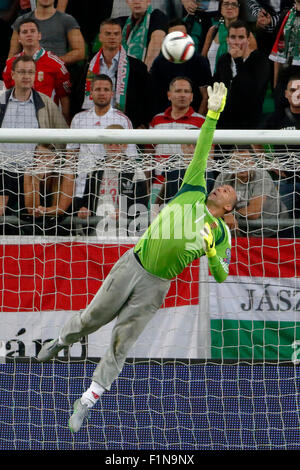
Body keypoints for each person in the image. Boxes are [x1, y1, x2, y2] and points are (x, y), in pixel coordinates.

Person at [37, 82, 238, 433]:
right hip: (133, 264)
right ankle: (61, 340)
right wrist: (213, 113)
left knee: (122, 342)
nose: (221, 187)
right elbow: (202, 149)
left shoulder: (221, 234)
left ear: (229, 208)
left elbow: (222, 275)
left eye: (228, 191)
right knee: (92, 319)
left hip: (156, 286)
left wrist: (211, 253)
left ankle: (86, 401)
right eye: (221, 185)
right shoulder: (193, 190)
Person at [0, 55, 68, 221]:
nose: (26, 76)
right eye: (22, 72)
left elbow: (64, 139)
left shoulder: (46, 103)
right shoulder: (1, 100)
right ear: (12, 75)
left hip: (33, 173)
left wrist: (49, 151)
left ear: (35, 75)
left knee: (32, 219)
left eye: (30, 72)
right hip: (2, 170)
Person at [67, 74, 138, 218]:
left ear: (112, 93)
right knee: (83, 232)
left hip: (111, 188)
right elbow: (70, 157)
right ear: (91, 93)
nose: (102, 93)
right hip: (81, 188)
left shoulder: (122, 120)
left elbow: (131, 159)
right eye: (98, 89)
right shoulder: (79, 119)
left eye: (106, 89)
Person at [74, 124, 149, 237]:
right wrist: (85, 209)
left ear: (126, 145)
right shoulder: (96, 170)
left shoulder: (136, 172)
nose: (114, 147)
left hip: (123, 231)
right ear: (104, 145)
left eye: (118, 143)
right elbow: (88, 199)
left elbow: (141, 205)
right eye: (110, 143)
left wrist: (125, 213)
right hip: (97, 229)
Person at [81, 18, 153, 129]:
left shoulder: (137, 67)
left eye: (116, 34)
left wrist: (142, 124)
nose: (112, 37)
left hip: (127, 126)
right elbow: (78, 95)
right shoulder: (88, 65)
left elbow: (148, 98)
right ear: (100, 37)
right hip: (92, 125)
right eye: (108, 34)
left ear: (121, 37)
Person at [3, 18, 72, 124]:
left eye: (33, 31)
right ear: (19, 38)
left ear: (39, 35)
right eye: (24, 32)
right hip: (17, 118)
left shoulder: (56, 64)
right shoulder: (10, 64)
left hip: (47, 118)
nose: (29, 34)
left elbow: (64, 98)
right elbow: (6, 93)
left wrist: (64, 125)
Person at [149, 76, 205, 204]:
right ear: (169, 95)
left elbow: (209, 157)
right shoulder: (157, 120)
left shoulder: (201, 122)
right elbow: (149, 155)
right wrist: (147, 184)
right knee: (155, 221)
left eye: (186, 92)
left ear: (191, 97)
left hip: (187, 185)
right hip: (157, 184)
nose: (182, 95)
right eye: (178, 91)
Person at [213, 146, 288, 237]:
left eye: (246, 161)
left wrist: (229, 214)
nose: (241, 165)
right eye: (236, 161)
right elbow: (214, 205)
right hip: (242, 231)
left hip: (272, 231)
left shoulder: (262, 176)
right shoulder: (223, 177)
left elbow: (254, 213)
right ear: (229, 164)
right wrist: (226, 215)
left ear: (253, 163)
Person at [213, 20, 270, 130]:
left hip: (249, 123)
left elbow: (252, 91)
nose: (236, 42)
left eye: (241, 37)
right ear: (227, 40)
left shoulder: (260, 60)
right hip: (225, 122)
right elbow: (219, 87)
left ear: (248, 40)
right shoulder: (223, 60)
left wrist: (238, 61)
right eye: (233, 37)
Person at [150, 18, 212, 116]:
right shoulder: (159, 62)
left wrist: (198, 121)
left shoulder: (199, 61)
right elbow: (153, 95)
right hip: (164, 119)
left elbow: (206, 97)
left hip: (193, 120)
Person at [259, 73, 300, 219]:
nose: (297, 93)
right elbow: (255, 138)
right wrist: (268, 163)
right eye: (293, 90)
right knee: (282, 223)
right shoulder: (277, 117)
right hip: (286, 181)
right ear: (286, 94)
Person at [9, 0, 85, 66]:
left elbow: (80, 52)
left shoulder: (67, 20)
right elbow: (12, 55)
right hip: (27, 74)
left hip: (55, 73)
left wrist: (52, 62)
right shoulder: (21, 21)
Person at [22, 143, 74, 235]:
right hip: (34, 223)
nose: (43, 160)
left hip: (60, 223)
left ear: (55, 158)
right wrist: (36, 180)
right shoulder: (29, 173)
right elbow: (31, 209)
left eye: (48, 156)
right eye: (39, 156)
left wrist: (44, 210)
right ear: (34, 158)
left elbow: (62, 209)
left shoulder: (67, 173)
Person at [201, 0, 257, 75]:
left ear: (239, 9)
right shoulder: (213, 31)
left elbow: (255, 64)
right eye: (226, 4)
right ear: (220, 8)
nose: (229, 7)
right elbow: (203, 60)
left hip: (236, 83)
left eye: (234, 4)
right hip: (213, 82)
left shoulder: (247, 35)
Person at [117, 0, 168, 71]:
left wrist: (145, 73)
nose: (136, 2)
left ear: (148, 1)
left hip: (149, 71)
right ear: (127, 2)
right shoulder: (122, 22)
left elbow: (156, 44)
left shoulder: (157, 16)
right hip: (125, 74)